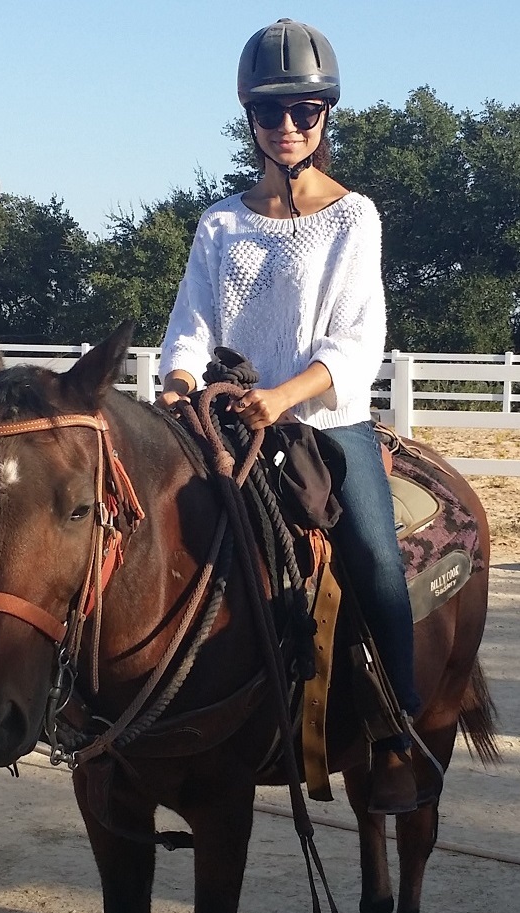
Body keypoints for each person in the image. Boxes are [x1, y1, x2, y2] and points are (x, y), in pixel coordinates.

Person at [157, 17, 428, 815]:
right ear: (249, 117)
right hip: (229, 422)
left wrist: (283, 396)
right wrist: (178, 379)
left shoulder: (353, 216)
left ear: (324, 115)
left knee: (373, 557)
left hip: (324, 423)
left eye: (303, 110)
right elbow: (191, 323)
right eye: (270, 111)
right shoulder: (220, 222)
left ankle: (396, 730)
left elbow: (357, 338)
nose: (286, 125)